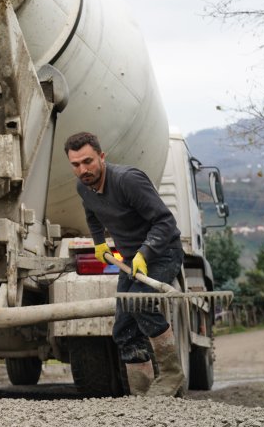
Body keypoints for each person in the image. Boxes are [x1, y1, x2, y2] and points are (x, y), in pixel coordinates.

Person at [65, 131, 186, 397]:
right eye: (76, 164)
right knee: (123, 329)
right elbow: (91, 212)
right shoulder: (83, 186)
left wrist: (146, 252)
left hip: (163, 252)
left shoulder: (128, 181)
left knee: (139, 303)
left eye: (88, 161)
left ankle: (171, 373)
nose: (83, 170)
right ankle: (142, 392)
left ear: (102, 156)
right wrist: (99, 242)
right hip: (132, 260)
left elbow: (165, 222)